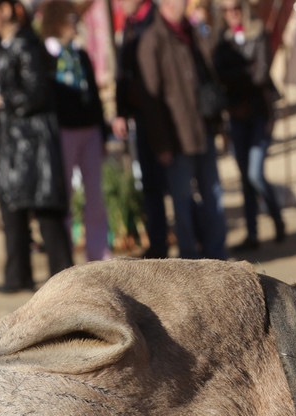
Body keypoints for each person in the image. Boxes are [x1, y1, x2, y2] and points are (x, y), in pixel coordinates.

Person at [0, 0, 73, 292]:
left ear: (6, 10)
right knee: (12, 210)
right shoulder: (5, 46)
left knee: (47, 215)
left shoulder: (27, 45)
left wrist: (0, 100)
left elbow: (37, 92)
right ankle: (17, 277)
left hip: (34, 145)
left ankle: (66, 283)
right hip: (12, 146)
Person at [136, 0, 227, 260]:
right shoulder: (152, 40)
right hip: (176, 138)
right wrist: (162, 144)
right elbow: (150, 101)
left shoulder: (192, 33)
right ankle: (190, 260)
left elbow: (209, 75)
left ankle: (217, 256)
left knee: (213, 195)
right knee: (182, 200)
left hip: (202, 129)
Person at [41, 0, 111, 262]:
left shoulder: (80, 55)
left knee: (95, 196)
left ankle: (99, 254)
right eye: (71, 19)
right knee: (66, 198)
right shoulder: (46, 56)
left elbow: (93, 96)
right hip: (63, 134)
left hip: (89, 131)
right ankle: (64, 257)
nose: (75, 24)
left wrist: (102, 134)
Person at [213, 0, 284, 251]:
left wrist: (238, 78)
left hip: (258, 113)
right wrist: (244, 73)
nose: (231, 14)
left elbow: (262, 73)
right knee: (244, 175)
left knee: (255, 172)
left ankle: (275, 215)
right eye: (226, 10)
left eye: (235, 9)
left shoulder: (259, 34)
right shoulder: (222, 41)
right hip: (235, 114)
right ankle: (252, 233)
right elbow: (219, 74)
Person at [111, 0, 169, 259]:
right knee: (150, 185)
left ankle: (197, 243)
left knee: (176, 182)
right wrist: (121, 111)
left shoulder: (158, 18)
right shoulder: (131, 24)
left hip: (165, 116)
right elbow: (123, 74)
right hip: (142, 117)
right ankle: (158, 245)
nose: (119, 3)